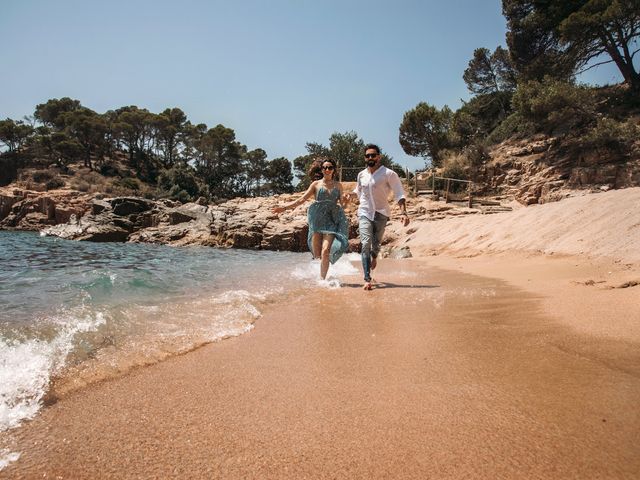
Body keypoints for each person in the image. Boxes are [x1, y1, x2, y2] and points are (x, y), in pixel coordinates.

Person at [272, 158, 349, 280]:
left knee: (325, 251)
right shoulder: (315, 184)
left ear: (334, 170)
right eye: (325, 168)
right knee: (317, 254)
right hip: (317, 220)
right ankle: (317, 275)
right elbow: (301, 200)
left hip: (332, 220)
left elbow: (343, 206)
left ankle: (322, 280)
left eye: (330, 167)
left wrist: (346, 201)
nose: (327, 170)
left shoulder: (338, 185)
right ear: (322, 170)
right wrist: (284, 207)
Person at [349, 144, 409, 290]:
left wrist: (403, 212)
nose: (370, 157)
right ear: (365, 158)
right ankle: (367, 279)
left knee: (376, 245)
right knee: (365, 243)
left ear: (379, 156)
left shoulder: (389, 174)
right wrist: (349, 195)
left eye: (373, 155)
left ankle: (375, 256)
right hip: (364, 212)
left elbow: (399, 193)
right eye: (368, 155)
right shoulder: (361, 174)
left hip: (382, 213)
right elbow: (358, 191)